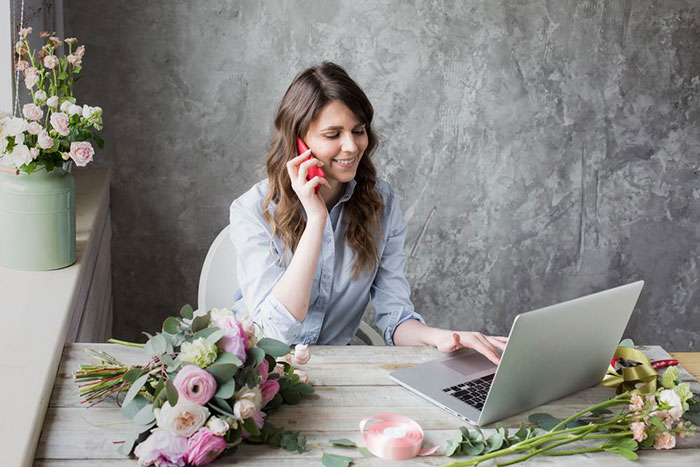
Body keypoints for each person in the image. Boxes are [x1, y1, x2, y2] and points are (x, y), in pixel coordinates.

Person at [229, 62, 506, 363]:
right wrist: (317, 220)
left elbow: (395, 317)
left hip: (338, 371)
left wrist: (443, 338)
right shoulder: (252, 210)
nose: (351, 146)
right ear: (299, 142)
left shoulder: (381, 205)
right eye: (333, 134)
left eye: (358, 131)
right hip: (261, 371)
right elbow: (274, 335)